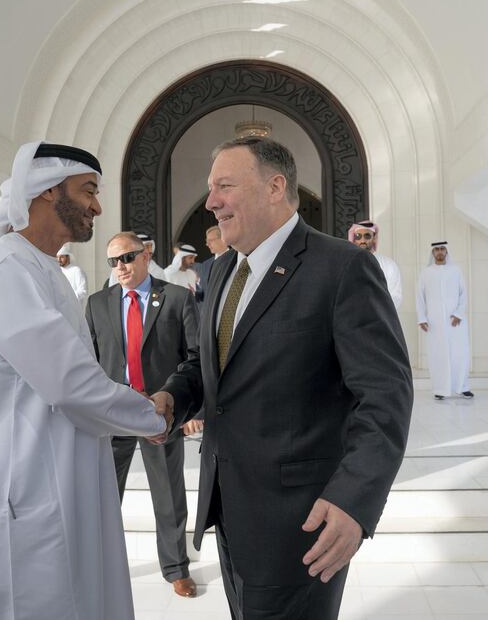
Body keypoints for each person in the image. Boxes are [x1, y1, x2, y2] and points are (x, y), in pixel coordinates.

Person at [155, 137, 413, 620]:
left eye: (224, 186)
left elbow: (385, 395)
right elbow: (208, 364)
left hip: (303, 519)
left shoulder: (342, 267)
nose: (210, 202)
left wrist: (354, 500)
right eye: (211, 189)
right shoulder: (216, 273)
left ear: (274, 187)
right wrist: (174, 397)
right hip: (228, 508)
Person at [0, 141, 172, 620]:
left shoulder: (41, 269)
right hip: (26, 487)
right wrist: (150, 416)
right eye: (88, 191)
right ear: (45, 191)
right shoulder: (5, 267)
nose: (97, 207)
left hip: (60, 474)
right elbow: (70, 383)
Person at [86, 231, 202, 598]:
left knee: (168, 493)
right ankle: (98, 565)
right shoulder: (97, 304)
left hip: (160, 412)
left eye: (127, 258)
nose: (120, 267)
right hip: (113, 413)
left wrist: (188, 410)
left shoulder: (177, 298)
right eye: (113, 261)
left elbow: (194, 357)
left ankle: (175, 568)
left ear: (145, 256)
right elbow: (88, 361)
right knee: (104, 493)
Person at [416, 241, 474, 400]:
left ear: (446, 252)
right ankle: (440, 390)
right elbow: (420, 297)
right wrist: (421, 318)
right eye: (436, 249)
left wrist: (458, 314)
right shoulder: (426, 273)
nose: (439, 252)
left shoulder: (456, 271)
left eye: (442, 249)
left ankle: (462, 387)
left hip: (456, 321)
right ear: (432, 253)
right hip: (434, 322)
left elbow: (463, 294)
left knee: (460, 354)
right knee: (438, 355)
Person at [347, 220, 403, 309]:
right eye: (358, 236)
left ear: (374, 238)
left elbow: (395, 295)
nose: (362, 240)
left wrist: (379, 313)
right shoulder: (346, 264)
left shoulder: (388, 264)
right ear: (354, 239)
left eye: (367, 236)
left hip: (380, 317)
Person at [196, 225, 228, 306]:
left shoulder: (237, 259)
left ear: (222, 238)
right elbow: (203, 293)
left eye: (210, 240)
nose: (207, 244)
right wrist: (194, 292)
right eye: (207, 241)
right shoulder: (205, 265)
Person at [57, 242, 88, 308]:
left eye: (62, 257)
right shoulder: (57, 271)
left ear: (68, 257)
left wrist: (67, 298)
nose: (59, 260)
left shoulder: (76, 270)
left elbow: (83, 291)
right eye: (57, 257)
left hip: (74, 309)